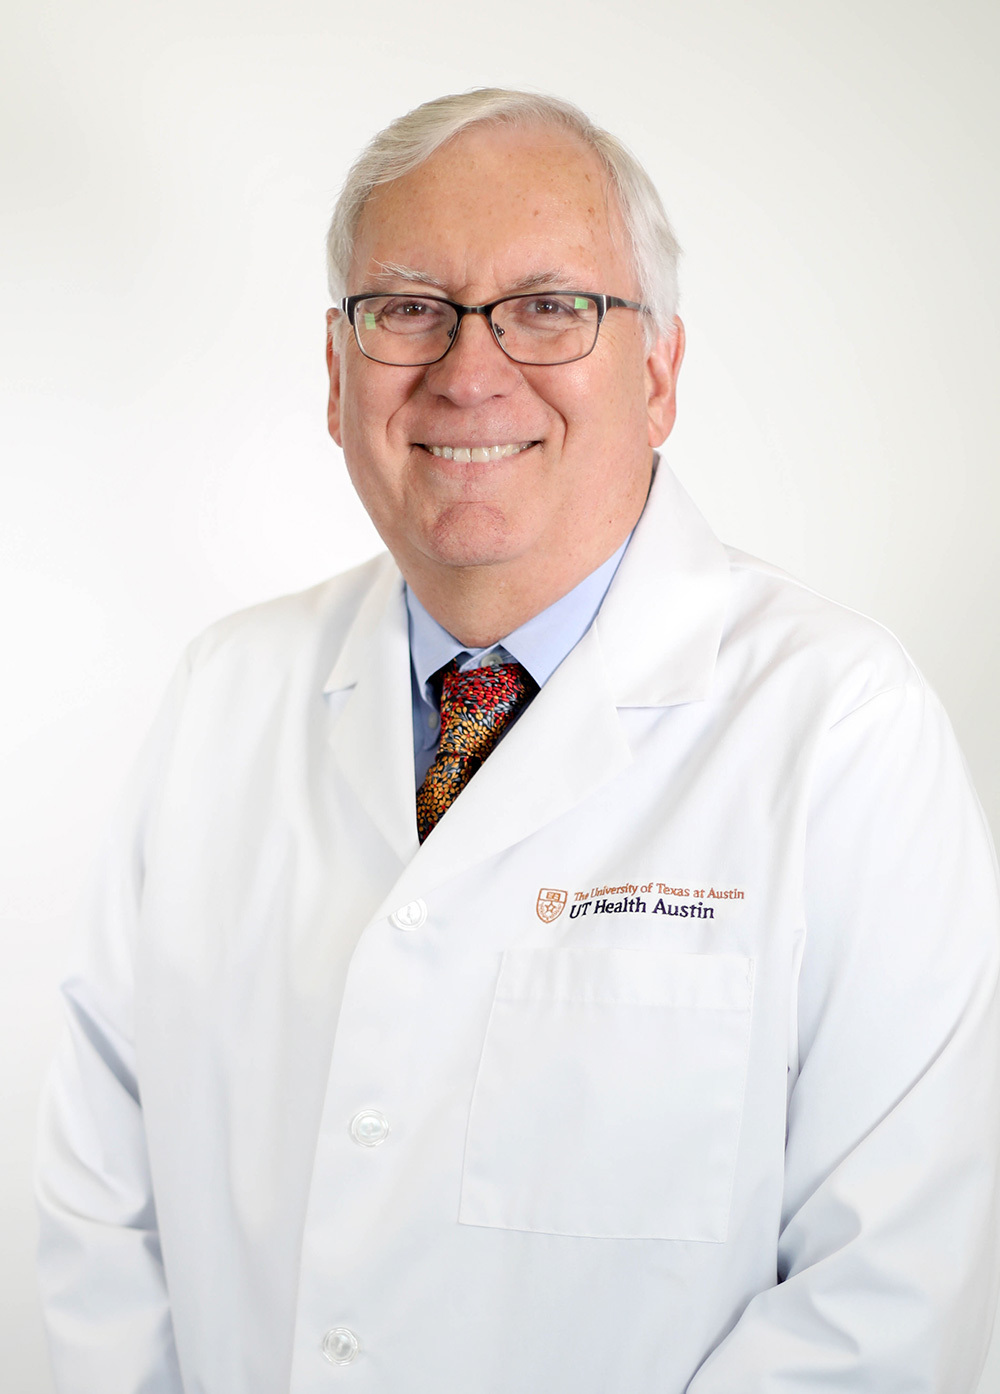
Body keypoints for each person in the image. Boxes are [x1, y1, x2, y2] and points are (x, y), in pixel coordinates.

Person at [37, 88, 1000, 1394]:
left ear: (656, 372)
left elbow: (881, 1298)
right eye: (408, 307)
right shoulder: (226, 694)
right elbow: (101, 1197)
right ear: (336, 374)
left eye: (549, 306)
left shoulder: (840, 730)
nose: (468, 369)